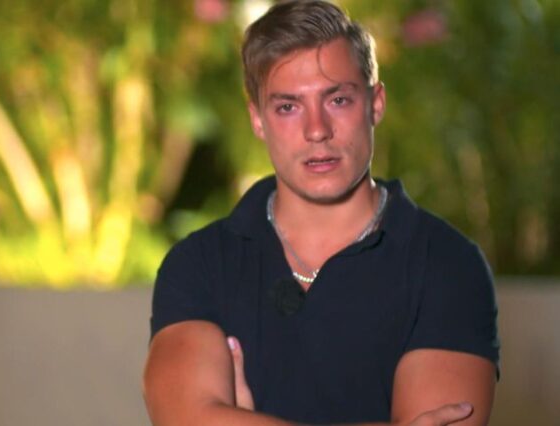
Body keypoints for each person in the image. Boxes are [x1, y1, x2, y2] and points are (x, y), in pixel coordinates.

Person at [143, 1, 500, 425]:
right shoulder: (200, 264)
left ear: (375, 104)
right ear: (257, 119)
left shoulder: (446, 264)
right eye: (288, 107)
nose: (317, 130)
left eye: (338, 100)